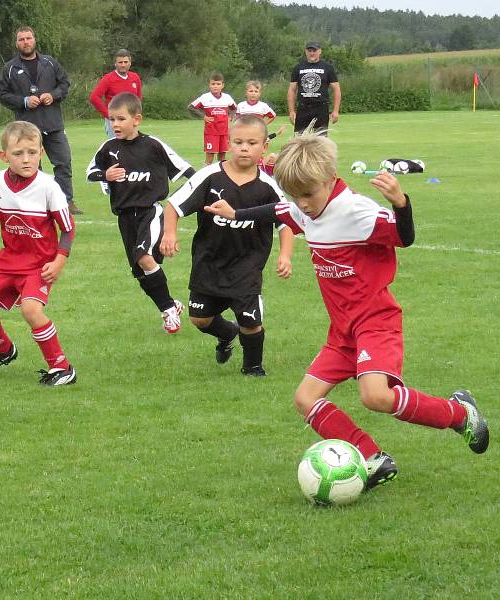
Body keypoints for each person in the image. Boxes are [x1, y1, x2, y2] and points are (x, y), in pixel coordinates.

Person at [204, 129, 489, 489]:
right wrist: (236, 212)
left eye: (308, 194)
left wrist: (401, 203)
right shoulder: (302, 207)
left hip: (375, 321)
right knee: (305, 399)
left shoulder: (356, 211)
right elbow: (276, 210)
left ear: (329, 179)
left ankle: (460, 414)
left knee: (376, 396)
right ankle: (372, 457)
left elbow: (405, 237)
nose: (303, 204)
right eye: (296, 195)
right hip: (342, 332)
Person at [161, 115, 293, 375]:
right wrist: (169, 234)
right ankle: (227, 332)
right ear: (229, 143)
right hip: (209, 263)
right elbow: (173, 205)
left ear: (264, 146)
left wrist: (285, 255)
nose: (244, 148)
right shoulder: (210, 176)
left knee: (250, 321)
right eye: (239, 141)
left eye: (252, 143)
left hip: (247, 265)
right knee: (200, 319)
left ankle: (253, 368)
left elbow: (286, 221)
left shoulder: (268, 186)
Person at [0, 121, 77, 386]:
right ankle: (2, 348)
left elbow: (67, 229)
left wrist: (59, 260)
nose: (26, 159)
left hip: (39, 264)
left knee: (31, 310)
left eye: (32, 152)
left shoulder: (49, 186)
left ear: (41, 152)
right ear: (4, 155)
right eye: (18, 154)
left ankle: (62, 367)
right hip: (8, 260)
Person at [87, 92, 195, 334]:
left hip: (150, 212)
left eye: (120, 119)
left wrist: (203, 189)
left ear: (137, 119)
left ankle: (168, 310)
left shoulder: (153, 145)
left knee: (143, 257)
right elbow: (90, 172)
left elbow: (186, 169)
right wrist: (105, 175)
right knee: (139, 272)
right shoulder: (108, 148)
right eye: (111, 119)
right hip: (125, 218)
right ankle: (170, 306)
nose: (115, 124)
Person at [0, 25, 82, 215]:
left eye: (28, 38)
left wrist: (53, 95)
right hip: (26, 128)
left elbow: (64, 84)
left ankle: (66, 201)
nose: (26, 42)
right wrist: (24, 101)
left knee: (63, 163)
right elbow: (2, 94)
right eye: (21, 39)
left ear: (34, 40)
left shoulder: (50, 63)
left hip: (53, 124)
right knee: (32, 166)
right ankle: (37, 203)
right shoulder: (10, 68)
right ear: (16, 43)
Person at [287, 41, 341, 134]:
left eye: (314, 50)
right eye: (309, 50)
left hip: (321, 108)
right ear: (305, 52)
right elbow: (292, 90)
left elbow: (336, 89)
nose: (312, 53)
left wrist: (335, 111)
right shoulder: (298, 68)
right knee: (300, 139)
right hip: (303, 108)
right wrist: (291, 111)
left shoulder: (328, 68)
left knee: (321, 140)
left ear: (320, 51)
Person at [89, 49, 143, 138]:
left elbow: (138, 99)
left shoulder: (135, 77)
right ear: (115, 63)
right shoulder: (108, 79)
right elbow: (94, 97)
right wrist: (108, 115)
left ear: (130, 63)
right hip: (115, 121)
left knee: (132, 146)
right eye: (120, 62)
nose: (123, 65)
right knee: (118, 147)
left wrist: (136, 115)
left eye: (126, 62)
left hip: (130, 120)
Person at [188, 73, 237, 166]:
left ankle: (221, 176)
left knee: (222, 157)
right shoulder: (205, 97)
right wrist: (204, 116)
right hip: (211, 132)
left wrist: (230, 117)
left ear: (222, 85)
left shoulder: (227, 97)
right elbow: (191, 107)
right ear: (209, 85)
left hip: (224, 132)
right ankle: (205, 177)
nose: (215, 86)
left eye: (218, 84)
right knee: (210, 157)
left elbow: (234, 108)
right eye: (213, 84)